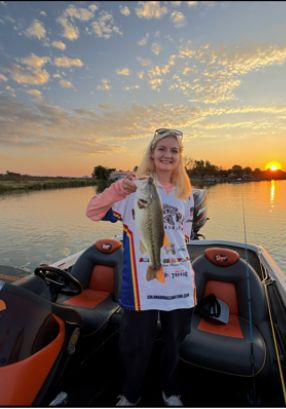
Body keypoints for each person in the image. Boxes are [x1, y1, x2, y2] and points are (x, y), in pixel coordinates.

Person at [86, 128, 195, 406]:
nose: (167, 155)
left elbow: (185, 236)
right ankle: (131, 392)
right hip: (139, 284)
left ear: (179, 157)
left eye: (174, 150)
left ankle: (170, 389)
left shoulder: (186, 193)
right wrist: (119, 188)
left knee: (174, 340)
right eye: (161, 149)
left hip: (179, 280)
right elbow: (93, 211)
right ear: (151, 152)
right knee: (135, 343)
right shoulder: (134, 187)